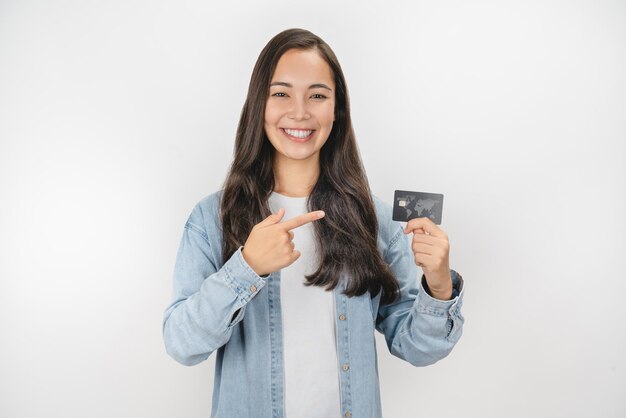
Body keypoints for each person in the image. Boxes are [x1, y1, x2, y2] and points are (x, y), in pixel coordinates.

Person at [162, 28, 465, 418]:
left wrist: (438, 285)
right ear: (259, 105)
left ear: (336, 109)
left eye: (318, 95)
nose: (300, 111)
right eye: (281, 93)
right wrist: (246, 267)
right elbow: (181, 344)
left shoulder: (372, 222)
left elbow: (418, 347)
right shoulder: (212, 219)